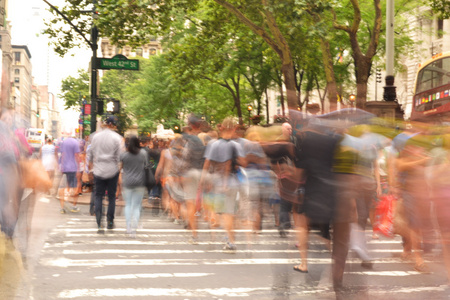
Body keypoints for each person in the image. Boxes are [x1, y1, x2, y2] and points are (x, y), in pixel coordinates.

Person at [200, 117, 246, 252]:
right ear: (234, 129)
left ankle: (229, 240)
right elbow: (243, 163)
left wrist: (203, 180)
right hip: (233, 182)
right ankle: (230, 239)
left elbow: (207, 164)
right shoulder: (236, 145)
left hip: (218, 183)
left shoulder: (213, 144)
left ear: (221, 128)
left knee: (223, 213)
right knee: (230, 212)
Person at [88, 116, 123, 232]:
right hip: (112, 169)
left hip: (98, 169)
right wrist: (119, 169)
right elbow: (119, 157)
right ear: (113, 125)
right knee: (111, 196)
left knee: (98, 195)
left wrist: (89, 168)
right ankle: (110, 221)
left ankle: (99, 222)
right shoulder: (117, 138)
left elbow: (90, 154)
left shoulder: (95, 137)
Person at [120, 136, 147, 237]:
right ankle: (134, 230)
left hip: (127, 182)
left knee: (128, 205)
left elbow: (120, 167)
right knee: (136, 206)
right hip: (140, 182)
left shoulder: (124, 155)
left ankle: (128, 227)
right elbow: (146, 165)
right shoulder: (143, 153)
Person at [59, 135, 81, 213]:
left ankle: (62, 208)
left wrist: (61, 167)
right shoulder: (75, 142)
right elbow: (76, 155)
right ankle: (73, 206)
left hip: (64, 168)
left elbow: (63, 155)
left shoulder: (63, 142)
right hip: (73, 168)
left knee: (63, 188)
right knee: (75, 187)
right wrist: (78, 169)